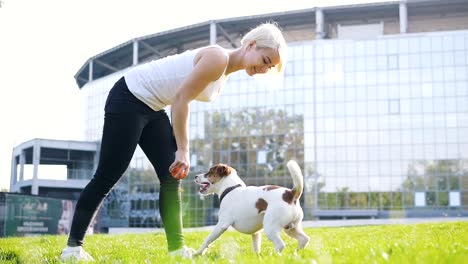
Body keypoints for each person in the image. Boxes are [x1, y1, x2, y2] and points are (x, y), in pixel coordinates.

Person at [60, 21, 287, 261]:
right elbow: (180, 100)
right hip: (129, 97)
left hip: (153, 106)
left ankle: (177, 249)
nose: (264, 69)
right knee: (108, 174)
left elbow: (177, 98)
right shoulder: (217, 58)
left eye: (269, 67)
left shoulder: (223, 76)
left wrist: (180, 152)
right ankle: (72, 249)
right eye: (264, 61)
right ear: (251, 45)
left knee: (171, 175)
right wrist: (183, 149)